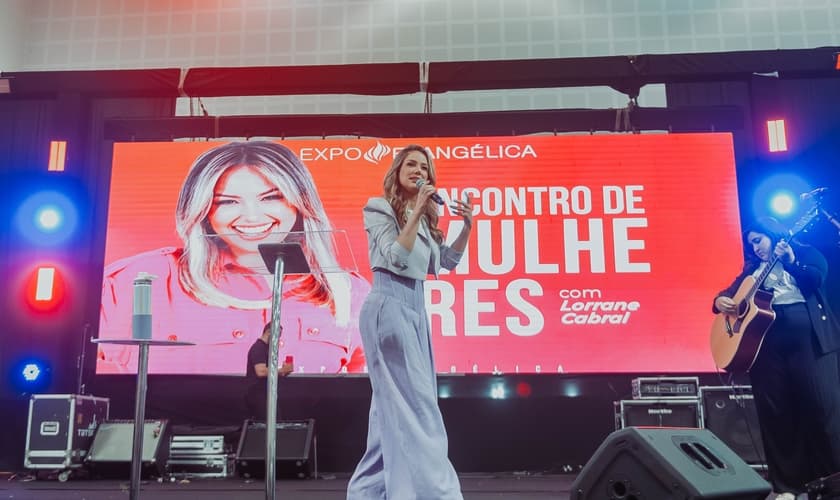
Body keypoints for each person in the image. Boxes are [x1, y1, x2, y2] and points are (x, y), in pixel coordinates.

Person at [97, 141, 370, 375]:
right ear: (203, 210)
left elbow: (365, 392)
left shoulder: (349, 292)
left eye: (271, 197)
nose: (252, 216)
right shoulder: (137, 281)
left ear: (299, 203)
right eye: (227, 201)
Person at [347, 145, 473, 500]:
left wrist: (466, 226)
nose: (419, 171)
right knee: (419, 406)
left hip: (416, 310)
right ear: (398, 171)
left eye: (425, 167)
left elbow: (447, 262)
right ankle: (436, 493)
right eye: (412, 164)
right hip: (388, 306)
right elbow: (394, 256)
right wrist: (417, 209)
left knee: (388, 413)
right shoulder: (379, 207)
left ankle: (367, 493)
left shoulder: (429, 219)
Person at [713, 216, 840, 498]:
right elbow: (728, 295)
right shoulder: (753, 271)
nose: (756, 248)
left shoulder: (808, 253)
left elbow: (814, 280)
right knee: (776, 415)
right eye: (752, 244)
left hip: (810, 342)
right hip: (766, 346)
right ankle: (787, 488)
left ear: (773, 234)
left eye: (759, 240)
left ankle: (831, 485)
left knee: (821, 412)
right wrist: (719, 300)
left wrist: (792, 261)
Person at [245, 322, 295, 421]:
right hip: (258, 395)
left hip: (266, 394)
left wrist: (283, 372)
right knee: (267, 423)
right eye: (277, 336)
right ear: (269, 332)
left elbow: (268, 372)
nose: (278, 339)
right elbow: (261, 372)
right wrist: (282, 370)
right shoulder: (258, 348)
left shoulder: (266, 349)